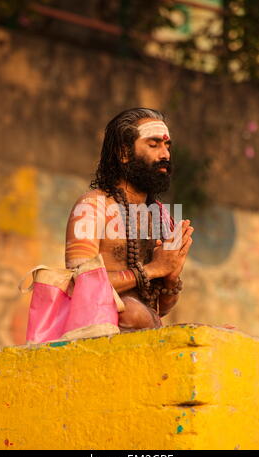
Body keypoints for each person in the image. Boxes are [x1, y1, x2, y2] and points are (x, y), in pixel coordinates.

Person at [65, 108, 194, 332]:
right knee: (133, 312)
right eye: (154, 145)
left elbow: (161, 308)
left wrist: (171, 278)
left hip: (146, 335)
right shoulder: (93, 207)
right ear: (124, 153)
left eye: (167, 146)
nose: (165, 155)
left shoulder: (161, 217)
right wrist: (153, 269)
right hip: (98, 336)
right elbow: (80, 285)